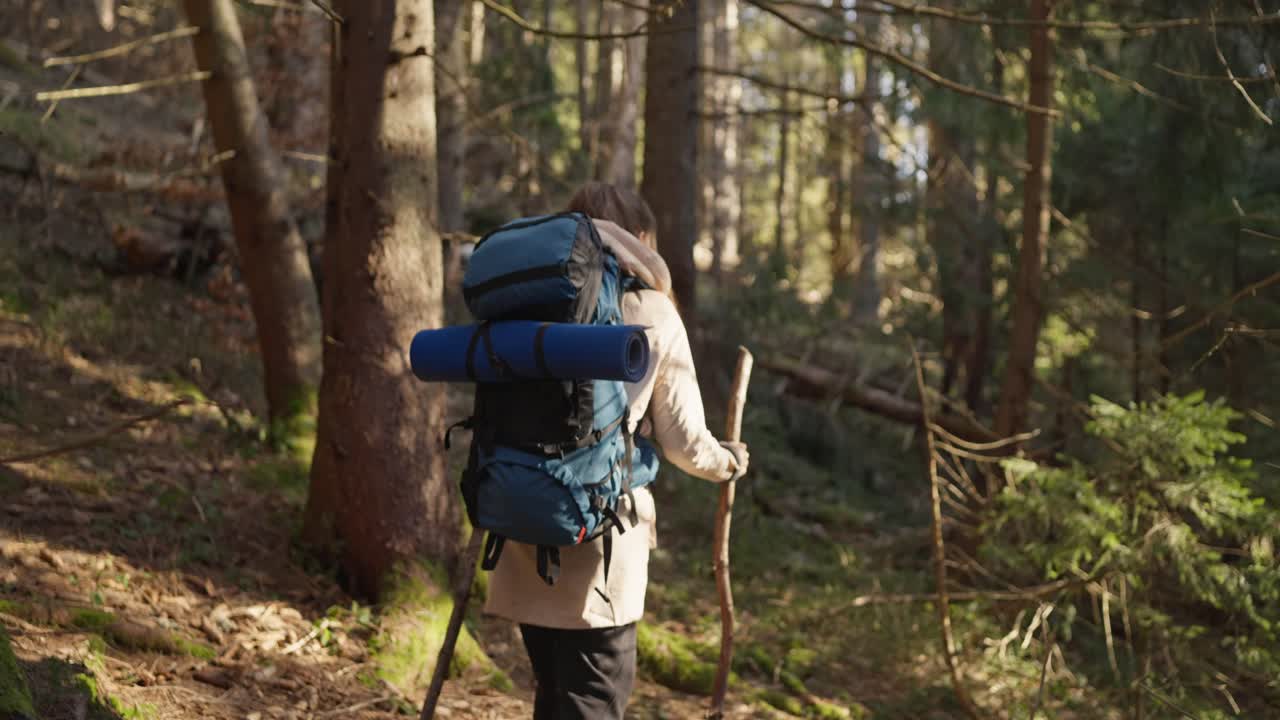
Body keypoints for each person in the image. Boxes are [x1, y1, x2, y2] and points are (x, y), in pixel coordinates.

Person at [484, 182, 750, 719]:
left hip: (520, 526)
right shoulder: (651, 309)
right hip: (599, 537)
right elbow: (682, 440)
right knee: (593, 702)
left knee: (555, 694)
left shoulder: (524, 305)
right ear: (642, 237)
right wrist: (727, 462)